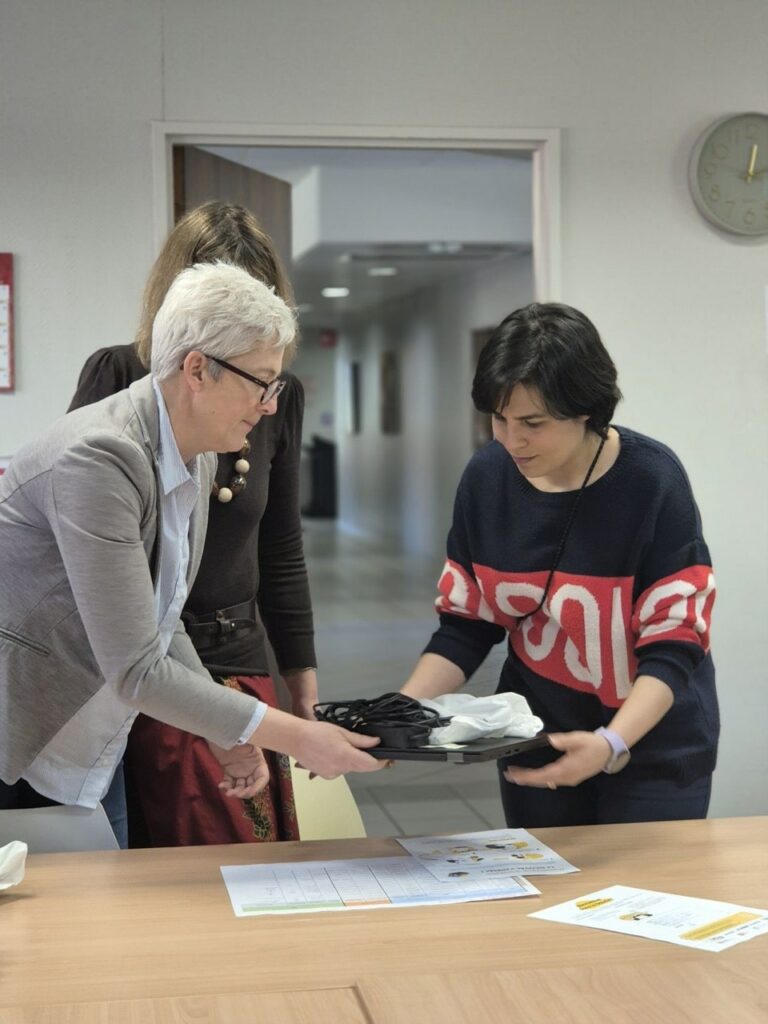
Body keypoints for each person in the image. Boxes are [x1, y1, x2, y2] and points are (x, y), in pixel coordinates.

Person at [0, 262, 383, 847]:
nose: (270, 406)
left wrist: (226, 732)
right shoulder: (99, 457)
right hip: (23, 734)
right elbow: (137, 668)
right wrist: (298, 737)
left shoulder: (194, 455)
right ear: (198, 369)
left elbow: (164, 614)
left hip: (87, 736)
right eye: (262, 382)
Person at [402, 302, 718, 828]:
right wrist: (399, 713)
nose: (511, 440)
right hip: (538, 736)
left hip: (653, 745)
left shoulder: (651, 481)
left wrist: (612, 741)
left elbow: (674, 645)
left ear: (587, 410)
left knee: (642, 880)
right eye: (498, 419)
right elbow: (466, 627)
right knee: (546, 880)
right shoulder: (487, 478)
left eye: (533, 423)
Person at [68, 202, 318, 846]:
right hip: (133, 664)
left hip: (229, 652)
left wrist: (302, 685)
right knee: (149, 868)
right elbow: (131, 599)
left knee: (246, 860)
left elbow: (281, 549)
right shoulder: (122, 396)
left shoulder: (271, 398)